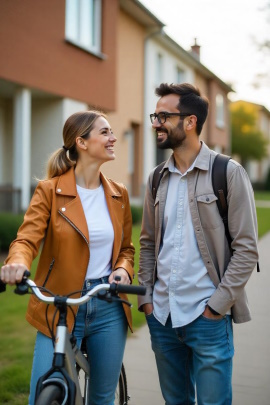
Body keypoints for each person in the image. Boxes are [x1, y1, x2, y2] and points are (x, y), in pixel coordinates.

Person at [1, 110, 135, 405]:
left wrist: (123, 271)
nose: (113, 138)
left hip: (108, 302)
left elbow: (126, 249)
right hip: (59, 303)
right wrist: (18, 262)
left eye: (111, 132)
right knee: (44, 391)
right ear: (82, 142)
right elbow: (26, 238)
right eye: (105, 132)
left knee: (102, 397)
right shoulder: (49, 190)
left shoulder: (118, 194)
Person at [138, 83, 258, 405]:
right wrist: (147, 300)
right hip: (162, 316)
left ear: (190, 122)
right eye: (154, 115)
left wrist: (216, 307)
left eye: (163, 116)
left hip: (207, 317)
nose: (155, 123)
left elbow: (247, 249)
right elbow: (148, 244)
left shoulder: (227, 173)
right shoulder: (156, 178)